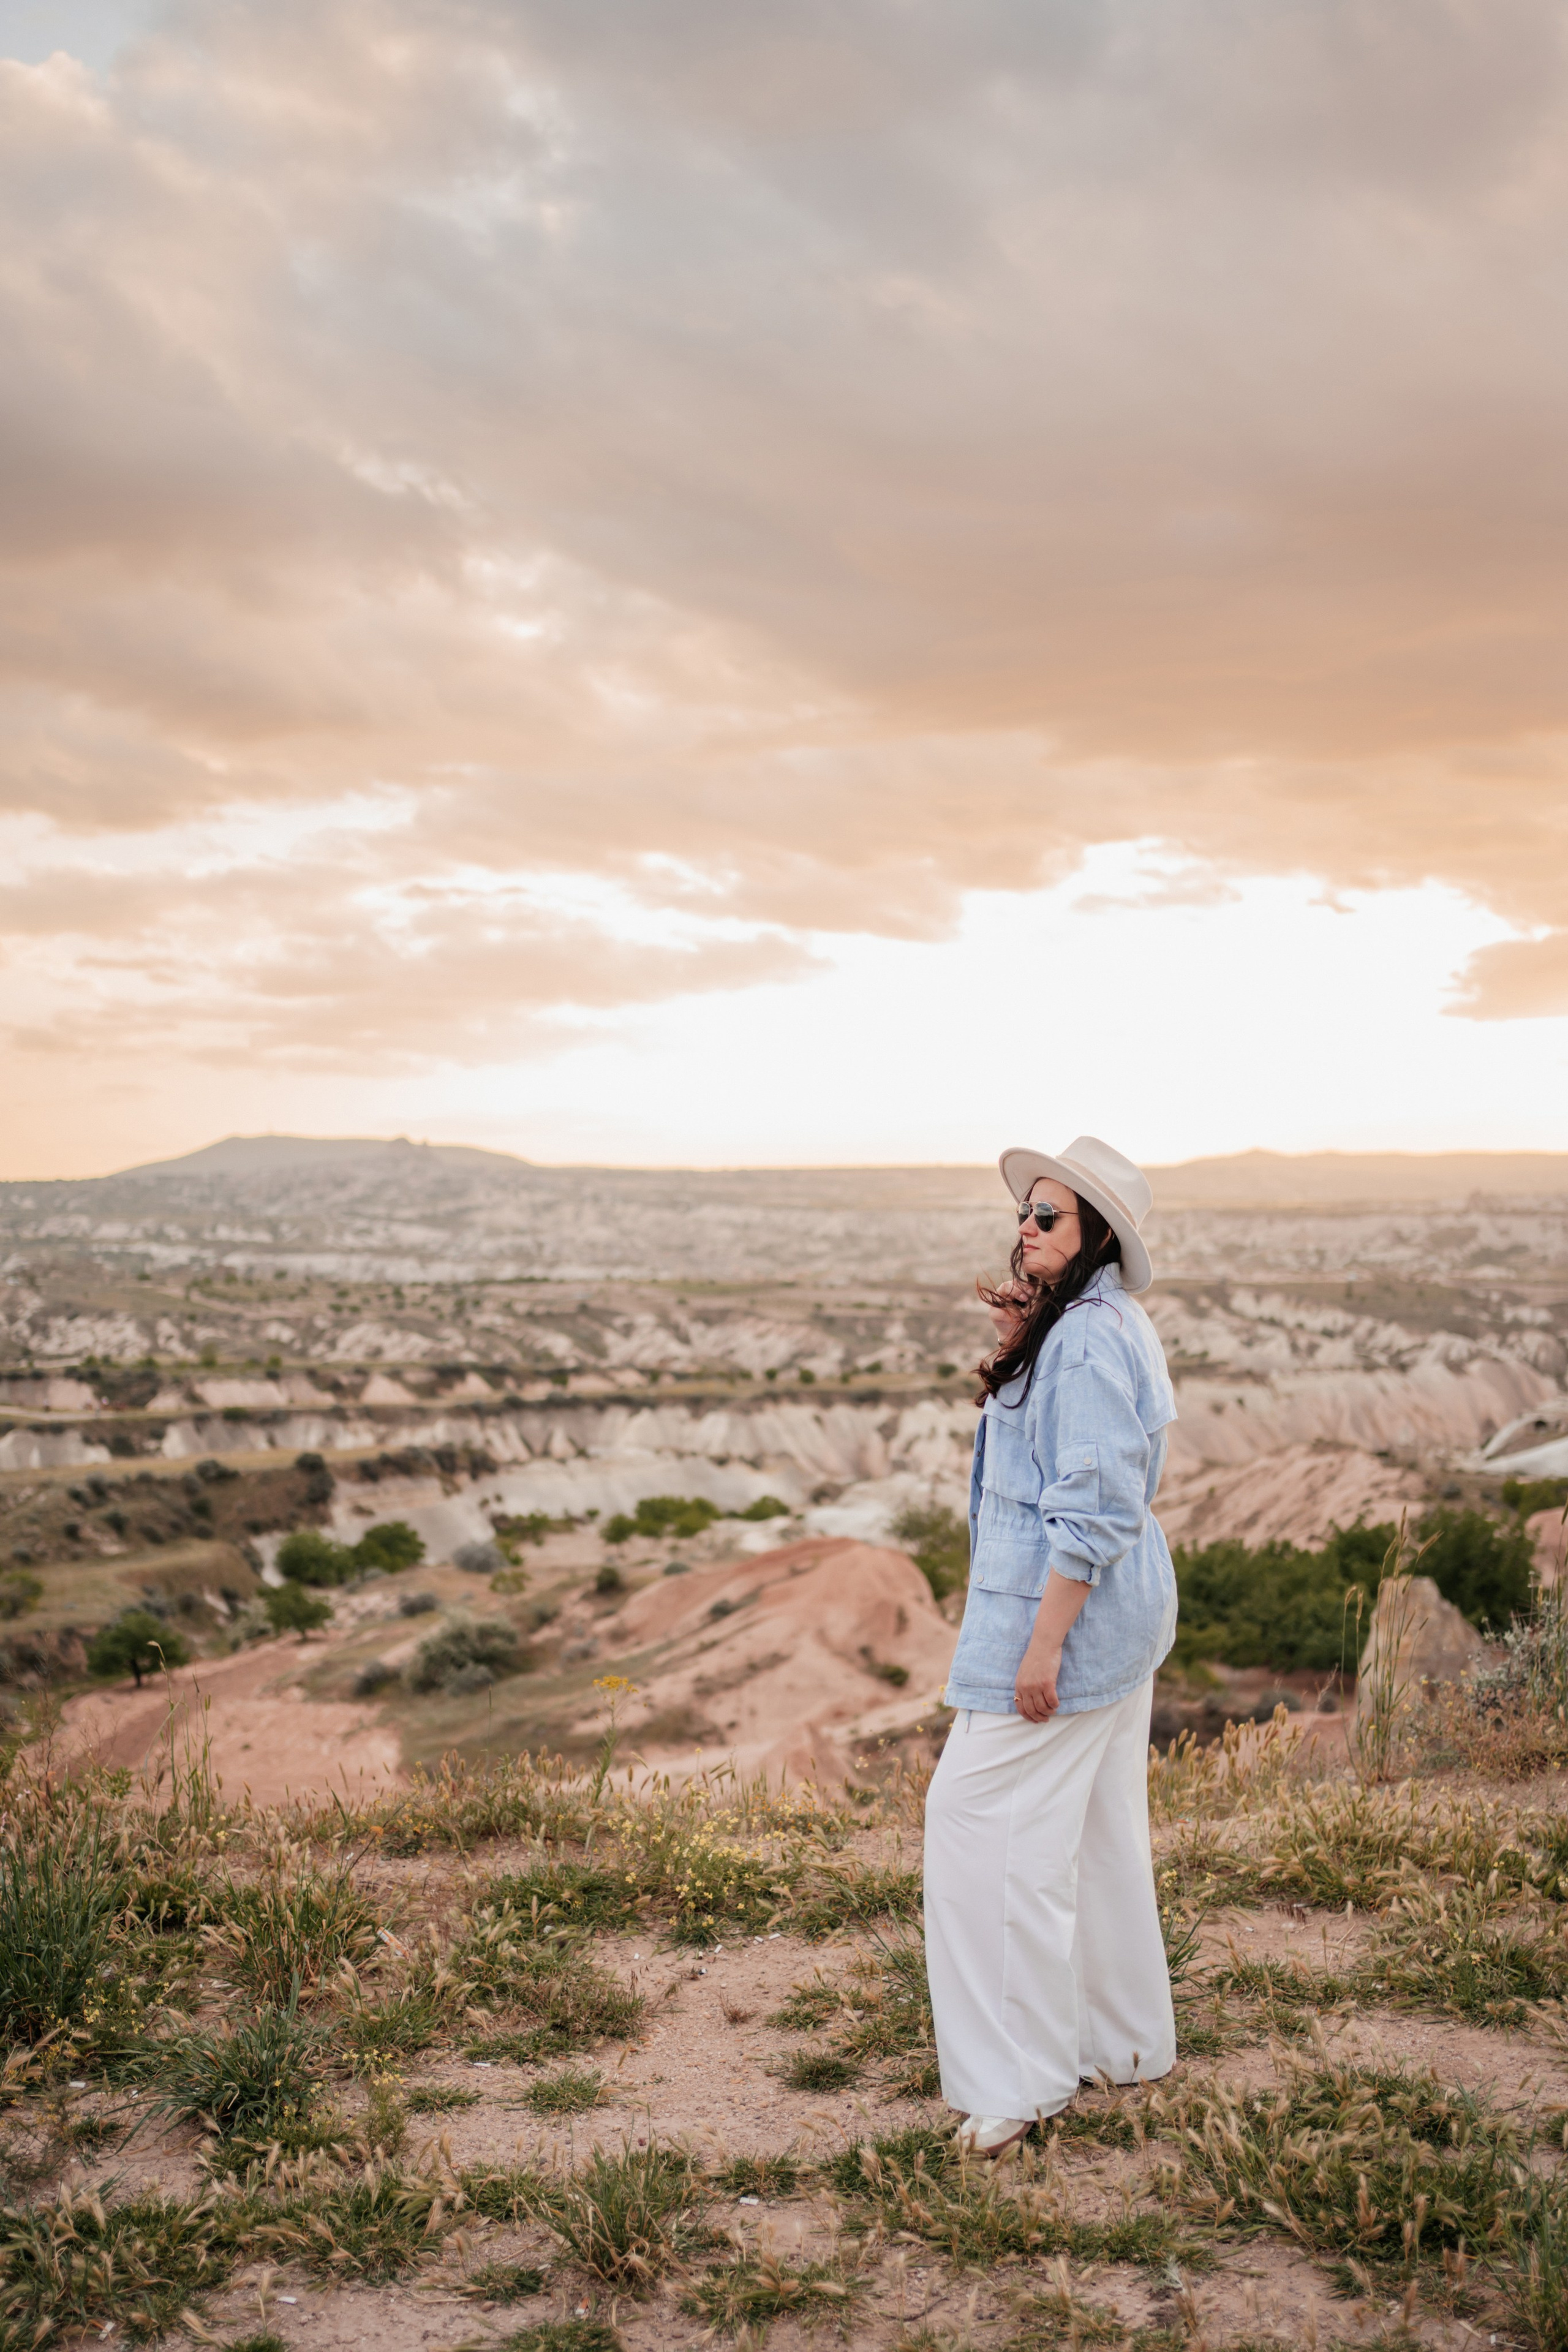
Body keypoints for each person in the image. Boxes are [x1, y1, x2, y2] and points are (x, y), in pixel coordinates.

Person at [924, 1134, 1178, 2157]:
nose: (1025, 1229)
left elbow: (1095, 1501)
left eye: (1048, 1219)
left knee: (979, 1826)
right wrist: (1021, 1332)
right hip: (1125, 1620)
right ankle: (1120, 2045)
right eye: (1025, 1214)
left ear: (1095, 1237)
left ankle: (1015, 2083)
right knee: (1094, 1832)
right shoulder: (1096, 1322)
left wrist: (1043, 1648)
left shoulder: (1081, 1341)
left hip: (1067, 1624)